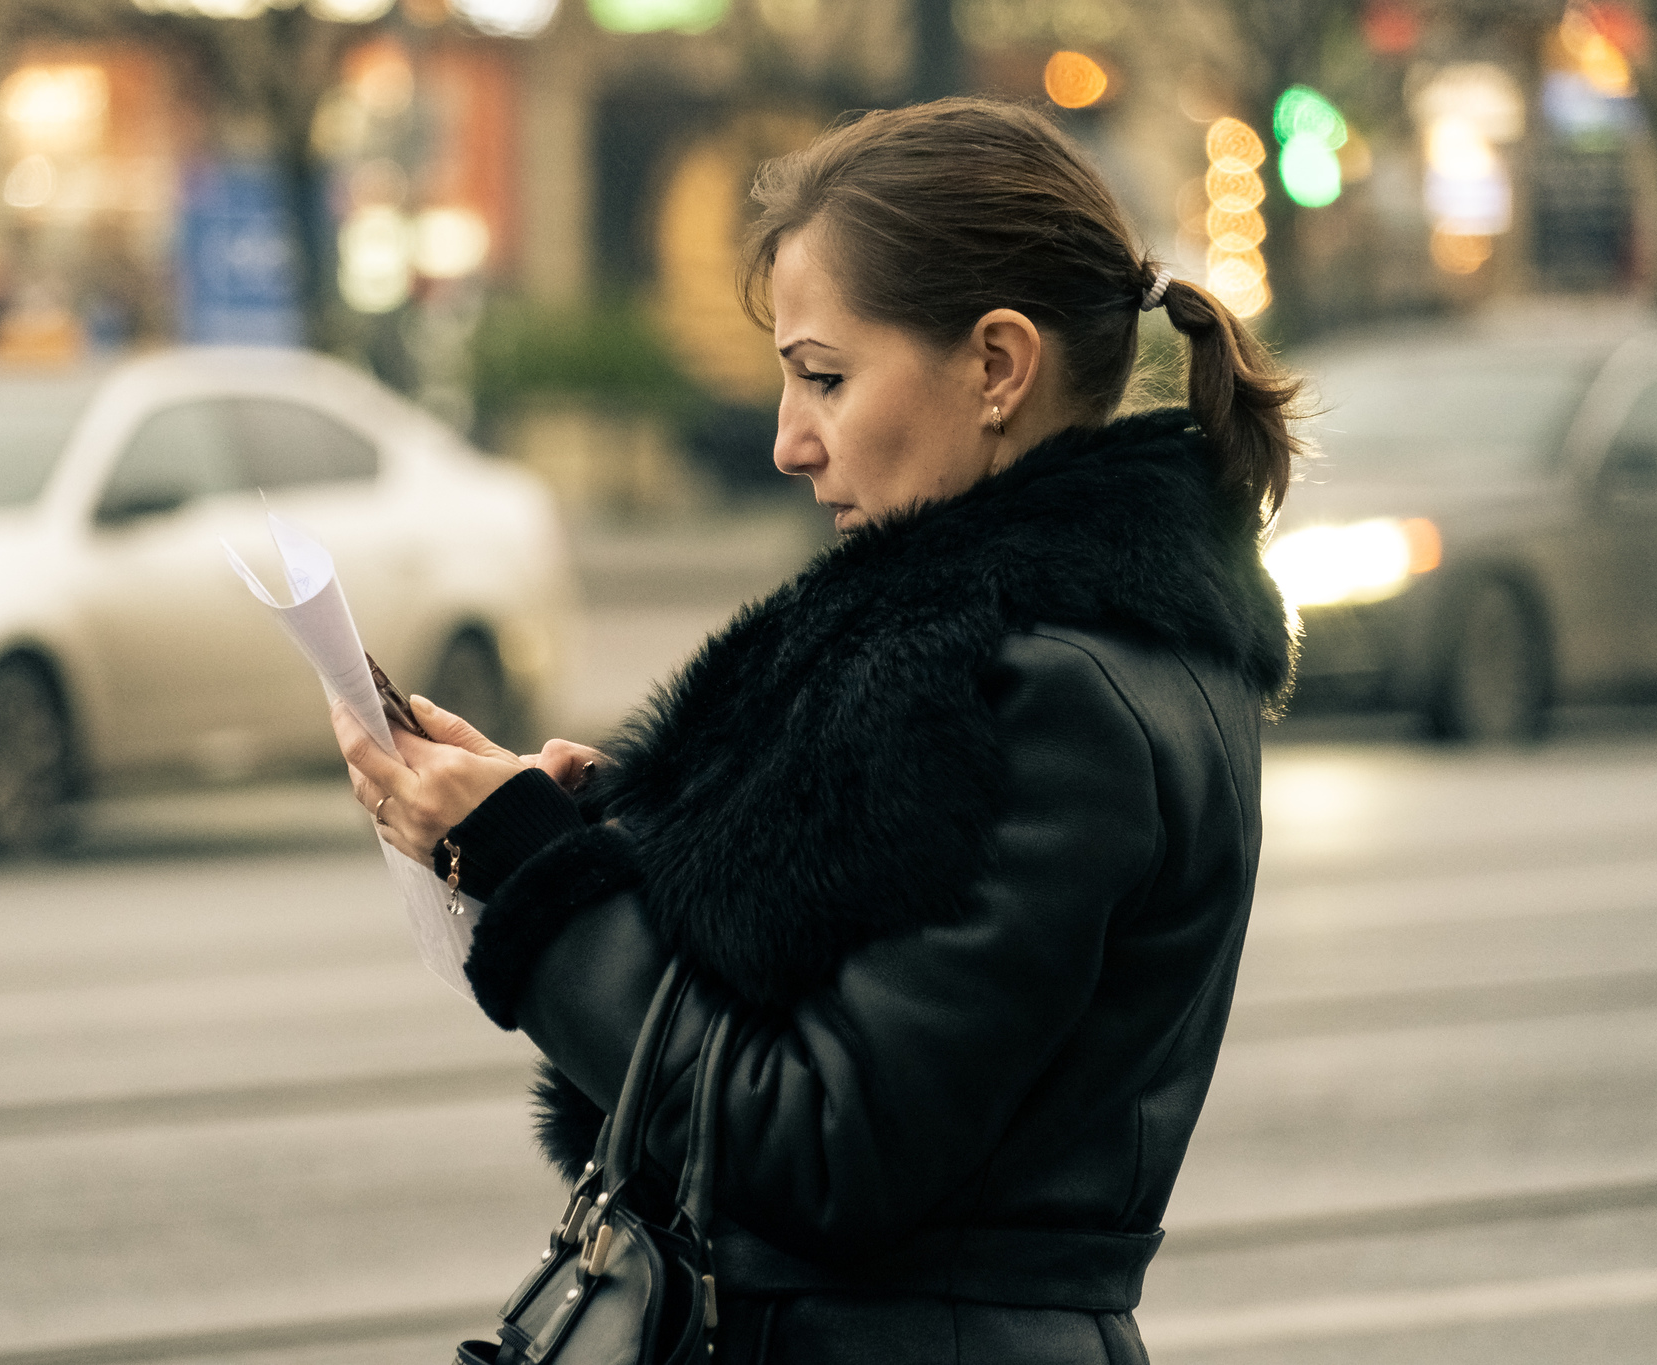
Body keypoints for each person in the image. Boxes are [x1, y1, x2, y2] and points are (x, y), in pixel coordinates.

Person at [335, 96, 1298, 1364]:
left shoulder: (1042, 691)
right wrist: (575, 837)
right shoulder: (994, 654)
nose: (791, 441)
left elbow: (818, 1144)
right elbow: (792, 980)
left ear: (997, 366)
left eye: (825, 379)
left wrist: (537, 887)